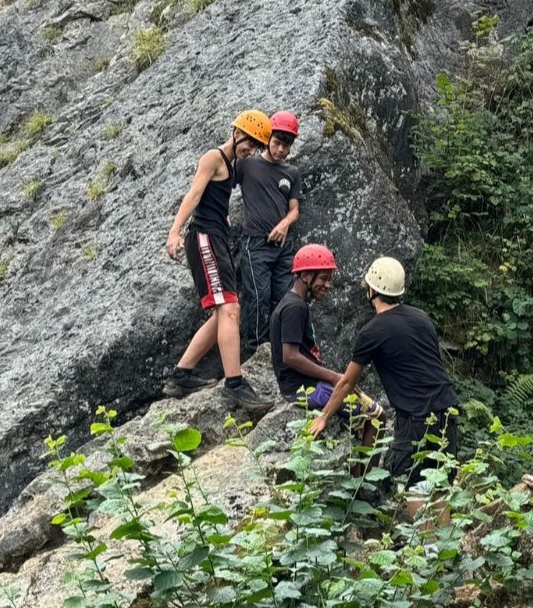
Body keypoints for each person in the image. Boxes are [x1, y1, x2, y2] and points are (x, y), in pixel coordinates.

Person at [309, 256, 459, 521]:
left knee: (414, 486)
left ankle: (423, 546)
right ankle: (444, 546)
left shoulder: (372, 331)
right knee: (440, 486)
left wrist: (323, 417)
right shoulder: (422, 318)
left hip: (415, 417)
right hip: (447, 408)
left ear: (372, 289)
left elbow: (347, 382)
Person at [163, 110, 273, 407]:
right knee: (230, 309)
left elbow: (215, 197)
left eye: (257, 147)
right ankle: (234, 384)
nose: (252, 151)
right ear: (237, 134)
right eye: (250, 143)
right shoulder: (213, 157)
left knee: (222, 313)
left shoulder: (232, 164)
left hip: (217, 239)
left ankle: (180, 376)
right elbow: (194, 194)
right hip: (204, 237)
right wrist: (174, 231)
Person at [269, 244, 383, 448]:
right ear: (305, 275)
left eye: (329, 279)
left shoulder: (293, 303)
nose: (328, 285)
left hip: (303, 385)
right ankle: (364, 468)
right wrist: (334, 377)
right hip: (303, 389)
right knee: (376, 415)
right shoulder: (295, 307)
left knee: (359, 405)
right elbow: (290, 356)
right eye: (323, 278)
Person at [238, 111, 304, 352]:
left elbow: (294, 210)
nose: (280, 150)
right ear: (267, 139)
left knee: (285, 299)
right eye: (276, 143)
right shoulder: (247, 164)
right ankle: (254, 351)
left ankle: (280, 351)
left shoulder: (291, 173)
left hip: (283, 248)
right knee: (258, 297)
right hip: (255, 243)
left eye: (286, 146)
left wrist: (285, 223)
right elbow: (223, 181)